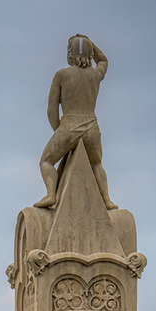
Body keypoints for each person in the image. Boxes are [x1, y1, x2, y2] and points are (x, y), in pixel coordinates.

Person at [34, 34, 118, 211]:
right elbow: (103, 60)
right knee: (96, 163)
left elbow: (51, 110)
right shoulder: (96, 75)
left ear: (70, 54)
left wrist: (60, 132)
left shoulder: (62, 75)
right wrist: (88, 44)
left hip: (69, 126)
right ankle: (107, 200)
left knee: (46, 162)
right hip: (92, 127)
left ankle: (51, 195)